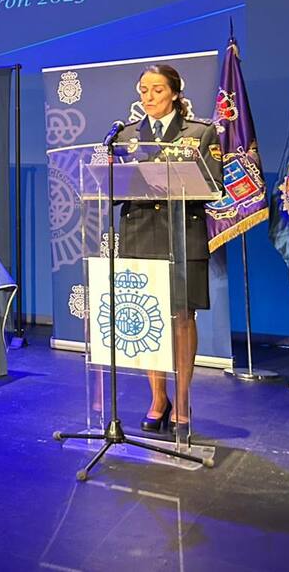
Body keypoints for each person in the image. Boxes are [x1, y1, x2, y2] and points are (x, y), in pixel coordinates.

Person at [115, 63, 222, 442]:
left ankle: (183, 401)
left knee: (181, 317)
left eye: (157, 89)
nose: (149, 97)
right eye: (143, 90)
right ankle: (158, 398)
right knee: (148, 317)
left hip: (183, 234)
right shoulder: (125, 135)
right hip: (140, 233)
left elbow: (214, 184)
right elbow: (111, 187)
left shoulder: (201, 132)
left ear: (175, 93)